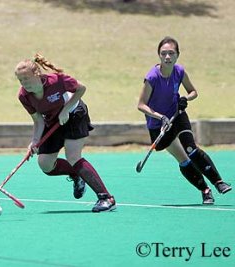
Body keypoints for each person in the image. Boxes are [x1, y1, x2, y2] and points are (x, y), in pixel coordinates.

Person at [15, 53, 116, 212]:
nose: (23, 83)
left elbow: (81, 88)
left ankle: (106, 198)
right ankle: (76, 174)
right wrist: (34, 141)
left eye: (26, 79)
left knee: (73, 156)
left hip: (74, 114)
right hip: (52, 120)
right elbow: (38, 120)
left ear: (37, 74)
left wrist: (66, 109)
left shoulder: (57, 81)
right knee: (45, 165)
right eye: (20, 80)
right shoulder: (23, 96)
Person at [137, 36, 232, 205]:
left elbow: (193, 91)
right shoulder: (152, 77)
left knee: (191, 148)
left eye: (171, 53)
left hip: (177, 115)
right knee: (184, 160)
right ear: (159, 55)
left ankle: (218, 182)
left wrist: (185, 99)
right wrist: (161, 117)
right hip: (158, 125)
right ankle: (205, 190)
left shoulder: (179, 71)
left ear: (177, 55)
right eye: (163, 53)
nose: (167, 57)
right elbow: (141, 105)